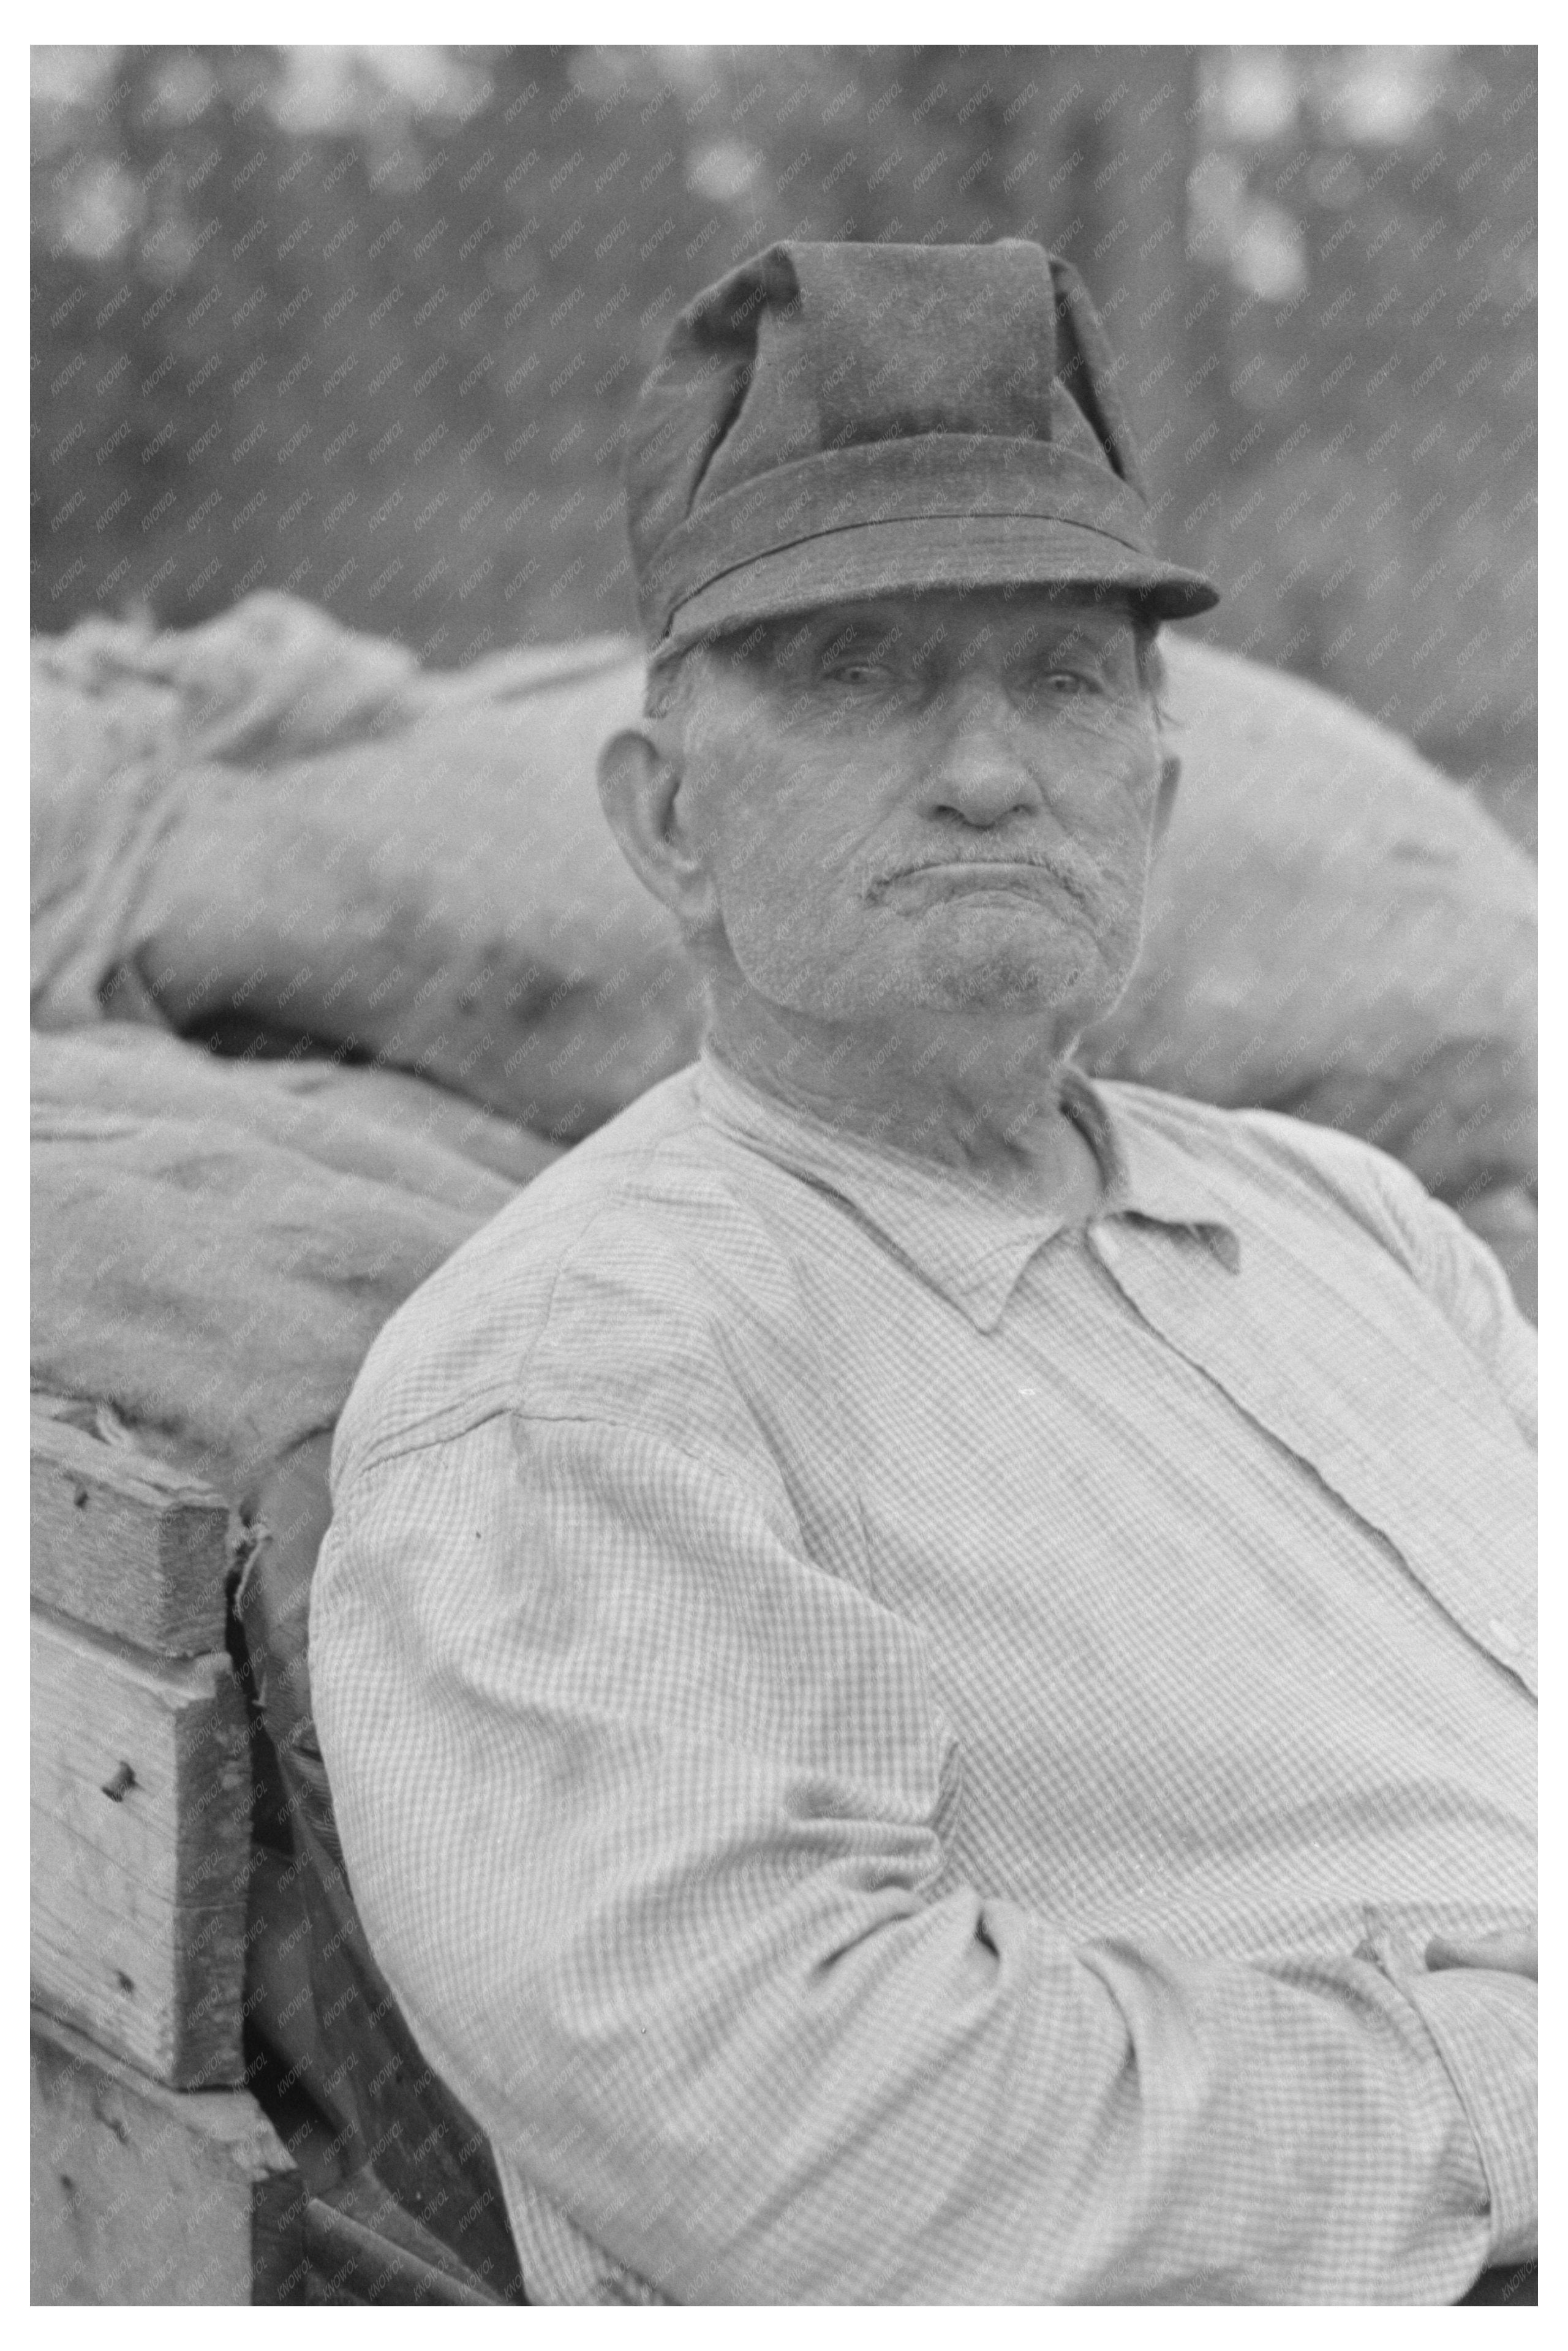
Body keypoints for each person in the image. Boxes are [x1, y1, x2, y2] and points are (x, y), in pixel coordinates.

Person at [309, 239, 1535, 2305]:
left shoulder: (1354, 1222)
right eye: (861, 673)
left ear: (1157, 788)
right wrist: (1511, 2090)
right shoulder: (584, 1379)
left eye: (1062, 677)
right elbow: (819, 2145)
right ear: (665, 821)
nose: (987, 770)